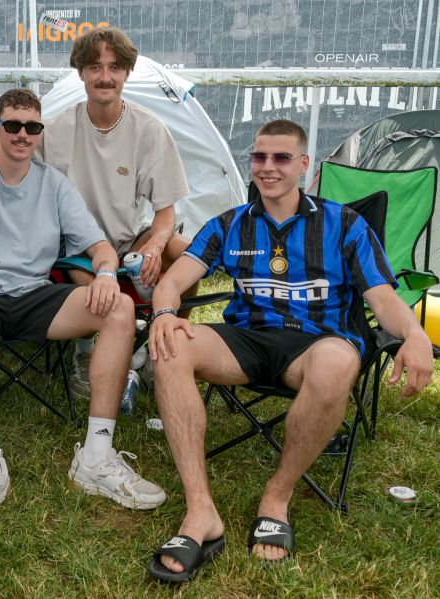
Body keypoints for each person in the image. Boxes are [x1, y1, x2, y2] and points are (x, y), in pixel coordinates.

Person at [146, 119, 434, 582]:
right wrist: (163, 313)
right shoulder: (229, 224)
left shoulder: (345, 224)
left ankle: (276, 497)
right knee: (171, 347)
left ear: (303, 164)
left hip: (317, 343)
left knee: (340, 361)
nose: (268, 167)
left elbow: (382, 298)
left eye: (281, 158)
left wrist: (416, 337)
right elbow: (173, 281)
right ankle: (201, 512)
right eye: (259, 157)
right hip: (247, 337)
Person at [0, 88, 166, 538]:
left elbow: (98, 247)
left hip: (37, 295)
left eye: (32, 127)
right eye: (12, 125)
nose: (22, 135)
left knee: (117, 308)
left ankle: (96, 457)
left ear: (40, 133)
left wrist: (106, 274)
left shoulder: (54, 183)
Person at [0, 26, 194, 398]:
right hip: (76, 248)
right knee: (86, 276)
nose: (105, 76)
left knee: (188, 254)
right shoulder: (54, 129)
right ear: (80, 72)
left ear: (127, 73)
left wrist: (156, 244)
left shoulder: (150, 130)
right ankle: (87, 353)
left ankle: (162, 347)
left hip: (131, 239)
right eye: (95, 67)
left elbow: (167, 213)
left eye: (115, 67)